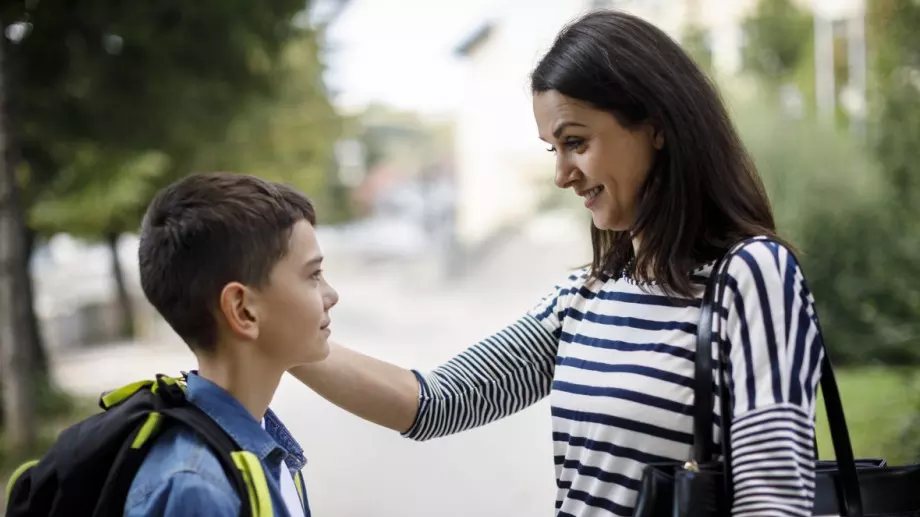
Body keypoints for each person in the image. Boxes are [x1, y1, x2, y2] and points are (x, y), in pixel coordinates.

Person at [291, 9, 824, 517]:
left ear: (657, 126)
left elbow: (772, 499)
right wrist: (283, 340)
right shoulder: (585, 296)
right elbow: (437, 402)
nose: (562, 174)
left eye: (576, 142)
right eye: (554, 149)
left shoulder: (751, 276)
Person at [125, 172, 339, 517]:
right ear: (243, 310)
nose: (331, 295)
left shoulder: (259, 439)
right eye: (313, 275)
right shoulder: (197, 491)